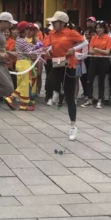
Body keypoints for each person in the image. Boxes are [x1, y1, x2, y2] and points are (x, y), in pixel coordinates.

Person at [44, 11, 86, 141]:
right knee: (50, 82)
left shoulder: (71, 33)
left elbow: (85, 42)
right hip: (57, 63)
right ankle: (59, 92)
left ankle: (73, 125)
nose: (52, 24)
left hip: (69, 65)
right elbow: (52, 45)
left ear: (62, 23)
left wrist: (74, 49)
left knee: (70, 97)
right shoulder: (52, 33)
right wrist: (48, 50)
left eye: (55, 22)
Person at [5, 21, 42, 111]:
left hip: (23, 63)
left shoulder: (21, 39)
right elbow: (29, 52)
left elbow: (29, 47)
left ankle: (20, 102)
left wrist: (37, 47)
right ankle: (16, 101)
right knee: (25, 84)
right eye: (27, 29)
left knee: (24, 83)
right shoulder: (21, 40)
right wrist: (39, 50)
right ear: (23, 30)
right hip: (24, 63)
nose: (29, 31)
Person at [83, 21, 111, 109]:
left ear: (104, 29)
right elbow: (90, 51)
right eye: (97, 28)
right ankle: (90, 99)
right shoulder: (94, 38)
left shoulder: (108, 38)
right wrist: (100, 50)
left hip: (103, 61)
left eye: (101, 28)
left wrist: (96, 49)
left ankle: (100, 99)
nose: (98, 29)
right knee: (90, 80)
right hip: (94, 60)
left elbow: (107, 52)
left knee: (101, 81)